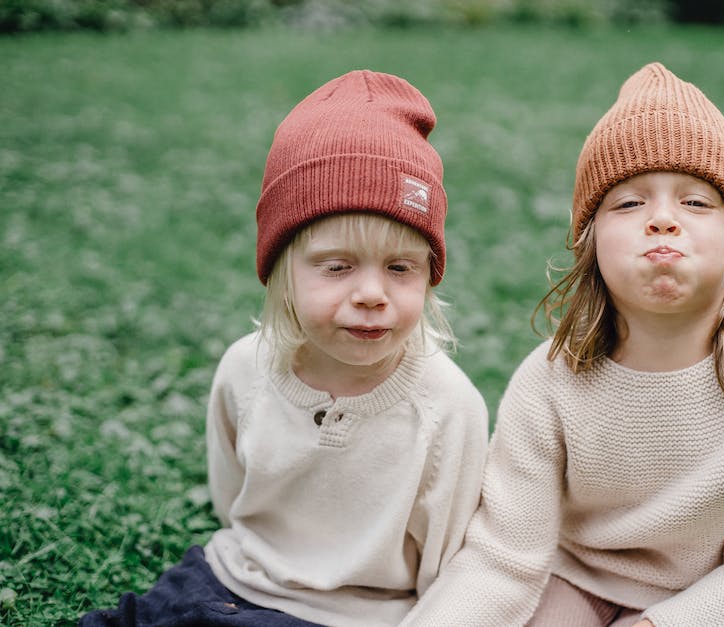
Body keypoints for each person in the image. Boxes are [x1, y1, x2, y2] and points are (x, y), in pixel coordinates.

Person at [401, 62, 724, 627]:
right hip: (575, 578)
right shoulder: (549, 380)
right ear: (593, 251)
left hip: (715, 599)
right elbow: (505, 556)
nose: (662, 219)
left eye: (697, 203)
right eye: (629, 204)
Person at [80, 70, 489, 627]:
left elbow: (450, 561)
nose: (372, 294)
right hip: (229, 577)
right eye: (338, 266)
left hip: (351, 616)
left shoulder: (446, 405)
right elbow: (231, 490)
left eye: (400, 268)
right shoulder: (246, 368)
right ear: (282, 273)